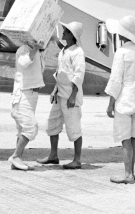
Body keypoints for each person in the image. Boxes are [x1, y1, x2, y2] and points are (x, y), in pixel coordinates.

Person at [104, 15, 135, 184]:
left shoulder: (122, 52)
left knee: (125, 139)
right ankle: (131, 171)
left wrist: (110, 104)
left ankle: (127, 174)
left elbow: (116, 80)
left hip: (124, 101)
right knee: (132, 138)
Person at [37, 22, 85, 170]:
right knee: (52, 124)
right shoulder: (65, 50)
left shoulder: (78, 52)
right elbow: (61, 72)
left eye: (66, 31)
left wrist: (73, 96)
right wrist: (55, 90)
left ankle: (77, 160)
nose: (63, 32)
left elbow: (78, 75)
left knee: (74, 128)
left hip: (71, 96)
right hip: (60, 95)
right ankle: (53, 155)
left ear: (72, 35)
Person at [8, 41, 45, 171]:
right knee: (31, 128)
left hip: (32, 94)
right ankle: (16, 156)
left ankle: (17, 159)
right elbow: (24, 63)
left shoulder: (38, 52)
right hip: (23, 94)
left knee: (22, 130)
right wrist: (35, 48)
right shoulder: (23, 49)